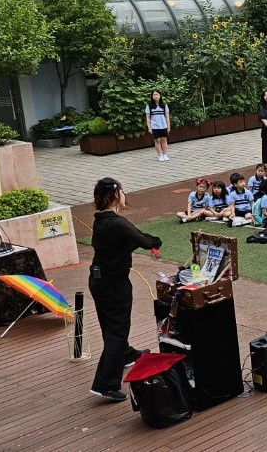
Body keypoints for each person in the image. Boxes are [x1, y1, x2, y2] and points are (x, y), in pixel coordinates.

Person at [88, 177, 161, 403]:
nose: (124, 193)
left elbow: (122, 242)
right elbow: (143, 239)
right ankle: (105, 384)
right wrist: (156, 241)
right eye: (122, 190)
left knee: (111, 325)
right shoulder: (117, 223)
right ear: (116, 194)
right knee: (117, 329)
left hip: (99, 280)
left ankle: (125, 353)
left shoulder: (101, 221)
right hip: (113, 284)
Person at [145, 90, 170, 163]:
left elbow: (167, 117)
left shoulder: (164, 106)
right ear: (152, 97)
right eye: (154, 95)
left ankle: (165, 154)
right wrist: (149, 127)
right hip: (155, 126)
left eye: (157, 94)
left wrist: (168, 126)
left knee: (164, 140)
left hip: (163, 125)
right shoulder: (149, 106)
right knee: (157, 140)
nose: (155, 96)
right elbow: (148, 117)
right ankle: (160, 155)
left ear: (160, 95)